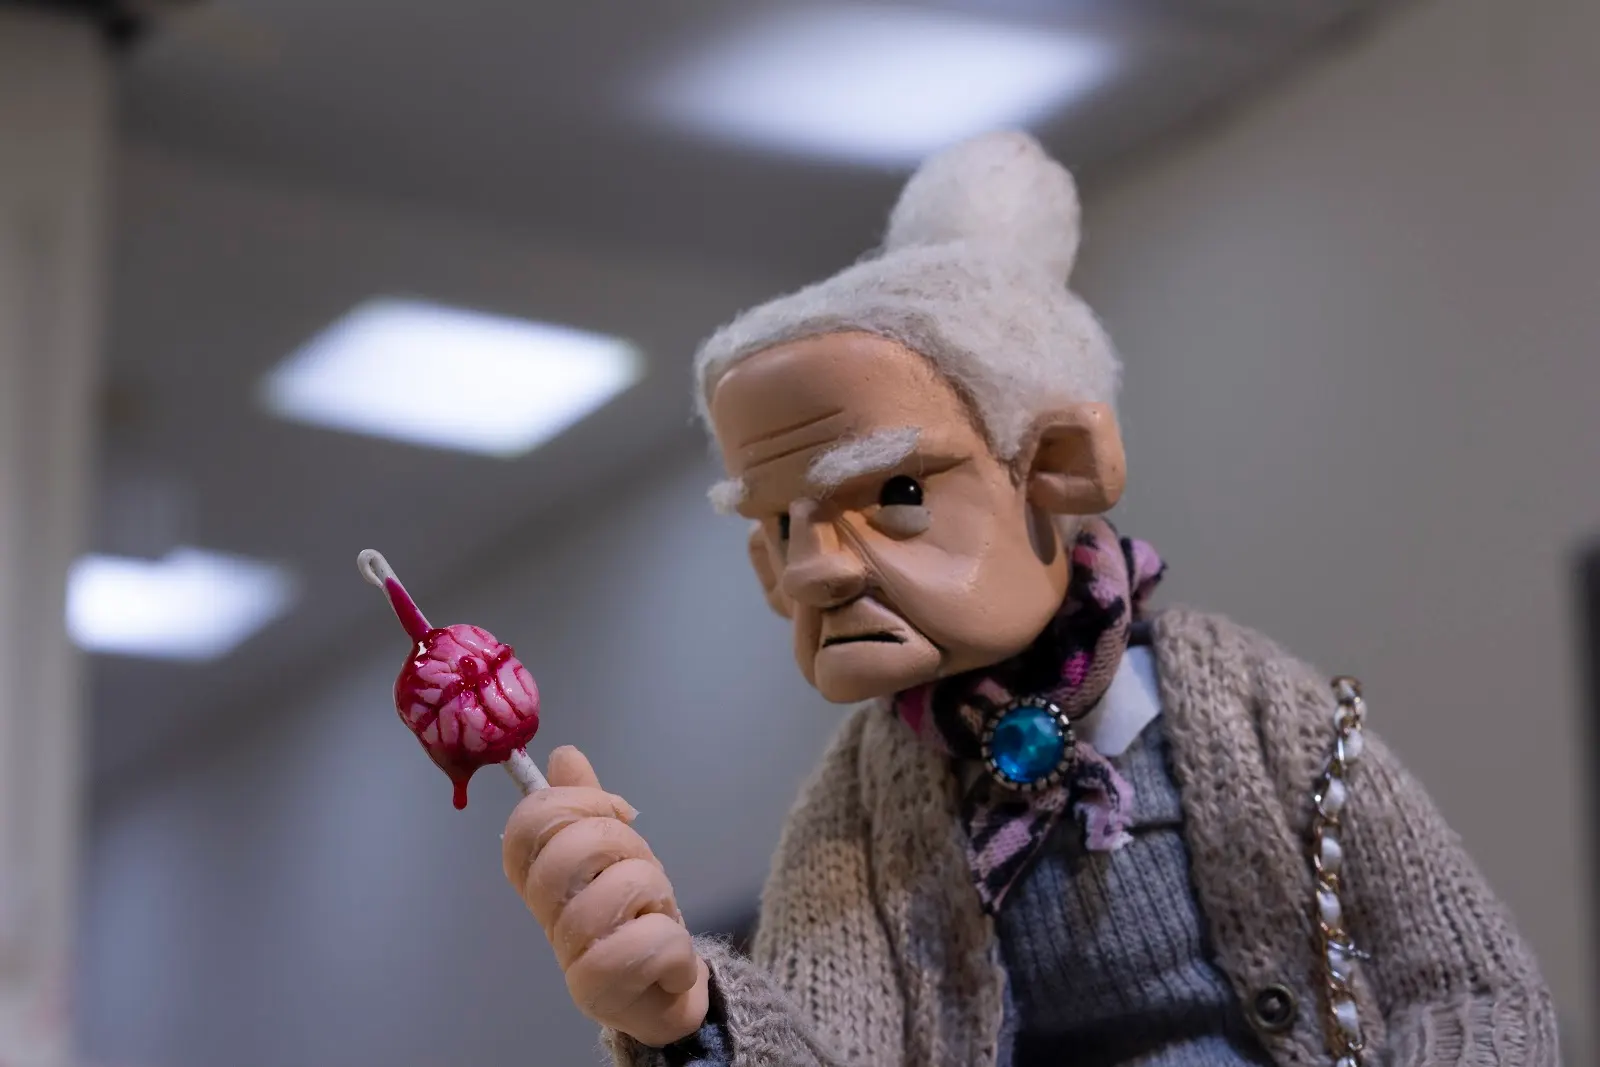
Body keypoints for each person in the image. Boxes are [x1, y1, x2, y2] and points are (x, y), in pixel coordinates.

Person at [500, 131, 1558, 1067]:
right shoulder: (862, 809)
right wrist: (686, 1014)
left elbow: (1468, 984)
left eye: (895, 494)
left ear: (1055, 465)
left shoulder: (1252, 711)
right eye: (782, 525)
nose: (817, 566)